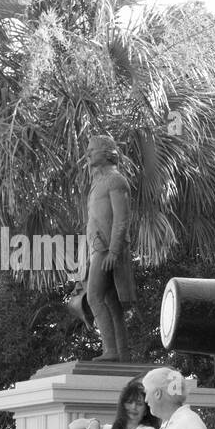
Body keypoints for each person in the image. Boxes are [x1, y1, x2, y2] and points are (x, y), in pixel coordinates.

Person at [82, 134, 136, 361]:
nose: (88, 154)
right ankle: (121, 353)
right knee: (111, 302)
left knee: (94, 296)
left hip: (108, 250)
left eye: (92, 150)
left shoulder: (116, 181)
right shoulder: (97, 184)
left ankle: (111, 351)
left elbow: (122, 219)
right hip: (98, 249)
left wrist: (114, 251)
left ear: (106, 153)